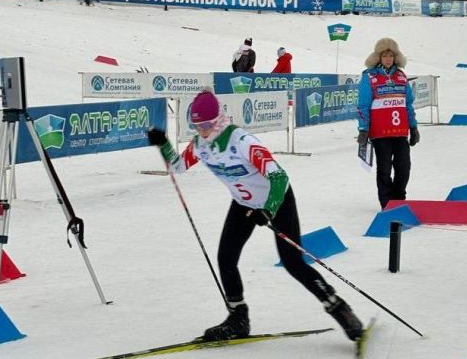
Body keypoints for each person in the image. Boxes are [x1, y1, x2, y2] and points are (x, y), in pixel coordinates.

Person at [146, 89, 363, 342]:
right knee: (226, 258)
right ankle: (238, 318)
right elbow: (177, 166)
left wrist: (269, 208)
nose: (202, 130)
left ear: (217, 119)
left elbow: (279, 176)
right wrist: (163, 143)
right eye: (196, 125)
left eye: (206, 124)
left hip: (277, 199)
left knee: (293, 263)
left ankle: (340, 309)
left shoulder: (241, 141)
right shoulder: (200, 145)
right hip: (244, 204)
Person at [357, 38, 419, 209]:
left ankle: (399, 199)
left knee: (403, 167)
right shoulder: (369, 77)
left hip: (400, 131)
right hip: (380, 133)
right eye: (385, 55)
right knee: (384, 169)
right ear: (378, 57)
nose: (388, 59)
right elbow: (363, 105)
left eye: (391, 55)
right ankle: (386, 202)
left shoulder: (401, 76)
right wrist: (363, 129)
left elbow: (407, 104)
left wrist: (413, 127)